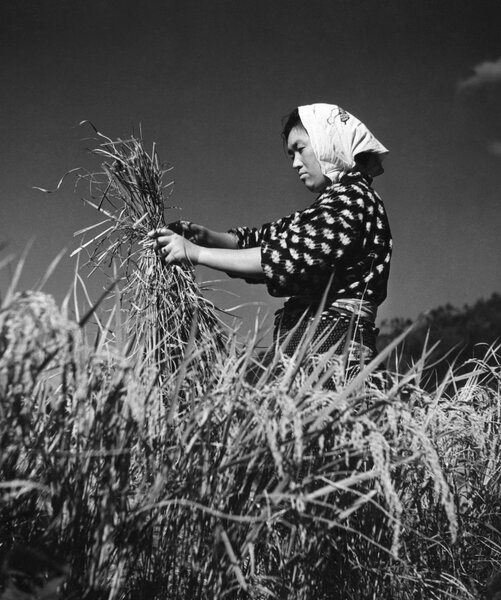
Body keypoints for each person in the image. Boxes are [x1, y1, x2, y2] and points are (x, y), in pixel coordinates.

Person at [148, 103, 392, 385]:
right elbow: (267, 238)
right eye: (291, 155)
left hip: (335, 354)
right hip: (309, 351)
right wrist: (207, 236)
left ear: (328, 142)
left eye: (301, 149)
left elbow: (284, 258)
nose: (295, 163)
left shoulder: (354, 201)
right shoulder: (328, 207)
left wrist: (197, 253)